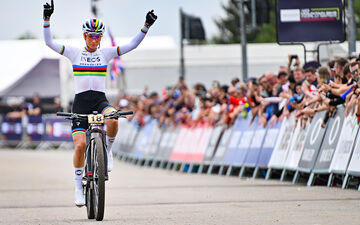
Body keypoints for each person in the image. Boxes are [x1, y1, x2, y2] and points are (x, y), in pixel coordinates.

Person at [43, 0, 157, 207]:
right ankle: (78, 187)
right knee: (80, 146)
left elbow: (132, 45)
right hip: (80, 103)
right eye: (91, 36)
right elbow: (50, 43)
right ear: (85, 36)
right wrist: (47, 19)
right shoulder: (74, 53)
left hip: (99, 99)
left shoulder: (106, 54)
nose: (94, 40)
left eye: (97, 36)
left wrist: (146, 26)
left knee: (114, 118)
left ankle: (108, 150)